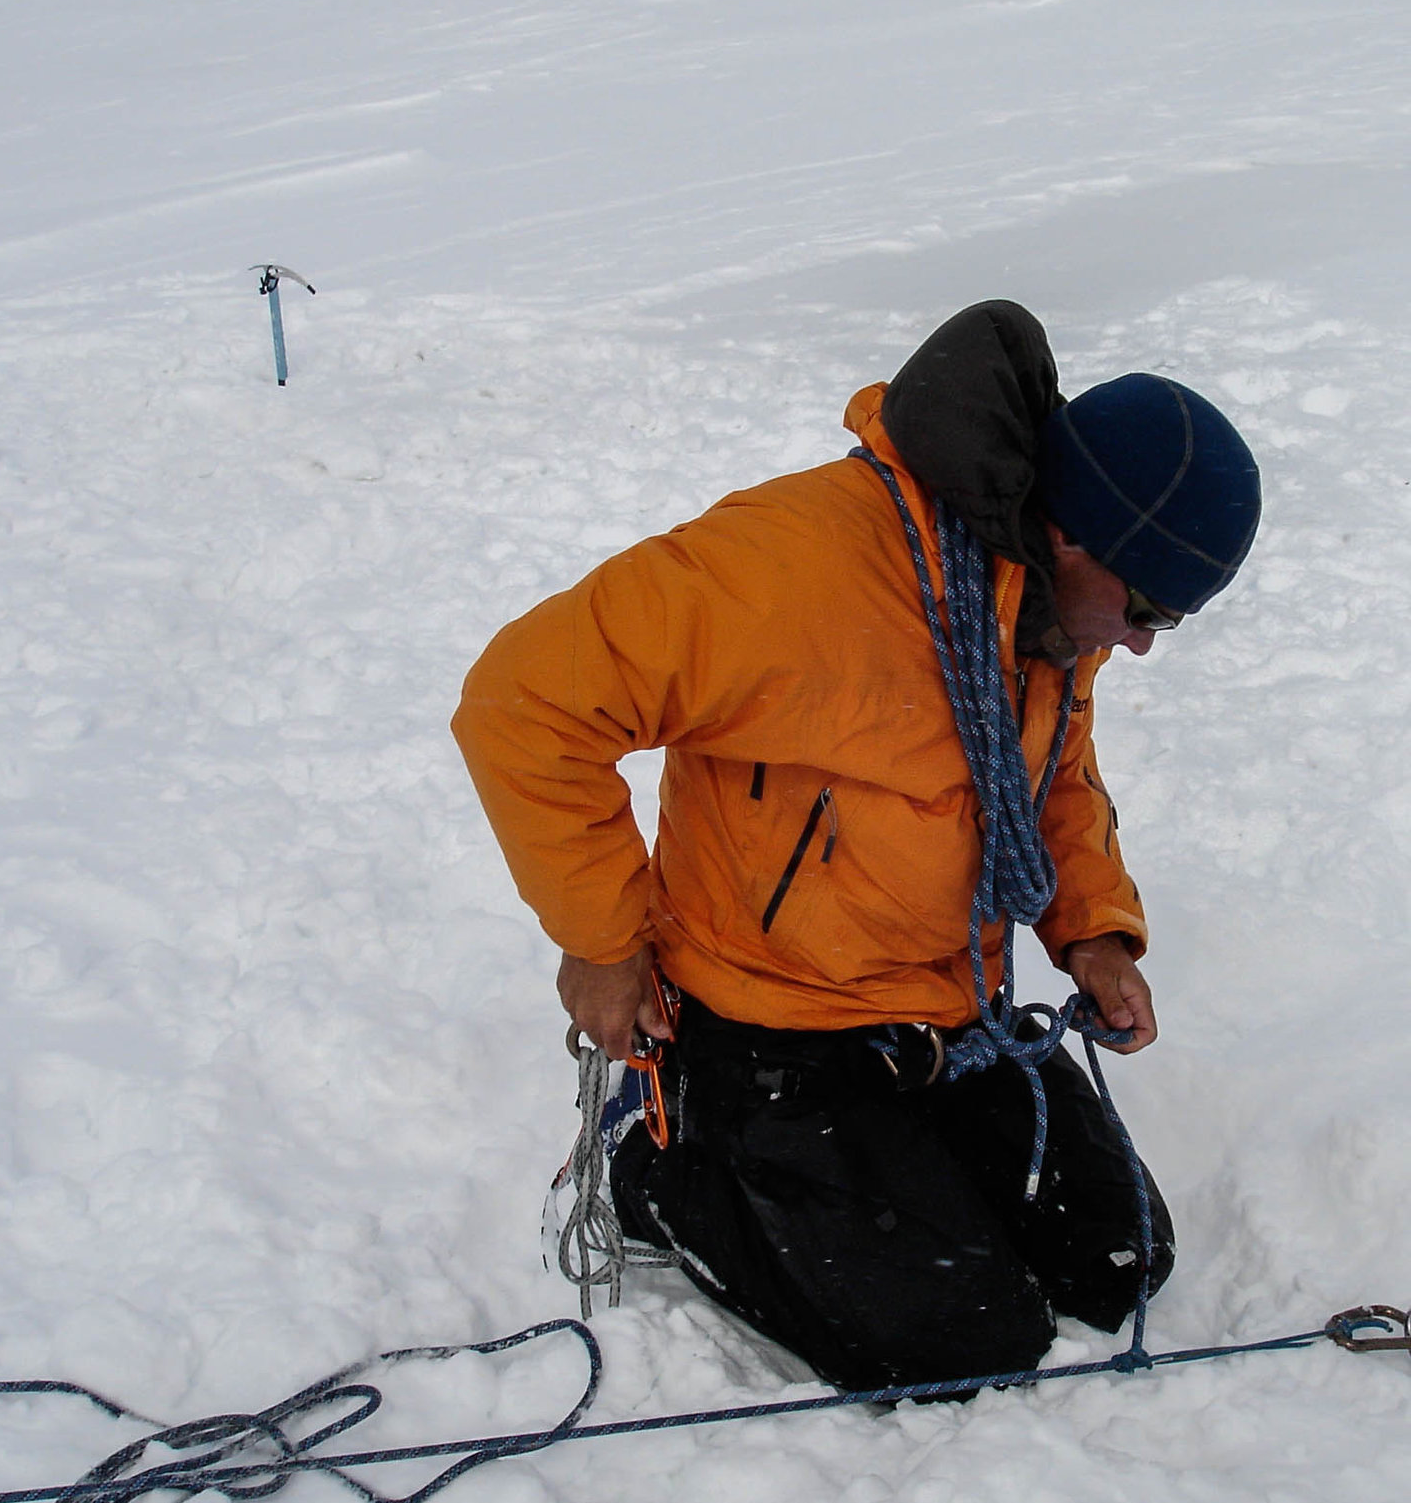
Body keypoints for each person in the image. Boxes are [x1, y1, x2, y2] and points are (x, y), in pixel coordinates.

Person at [453, 301, 1261, 1391]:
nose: (1145, 644)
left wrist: (1093, 934)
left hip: (940, 1004)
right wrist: (604, 940)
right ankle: (660, 1163)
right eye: (1150, 607)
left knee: (1118, 1261)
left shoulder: (1044, 613)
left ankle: (885, 1164)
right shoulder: (791, 568)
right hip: (767, 1016)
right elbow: (524, 702)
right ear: (1071, 531)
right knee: (960, 1346)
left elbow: (1055, 773)